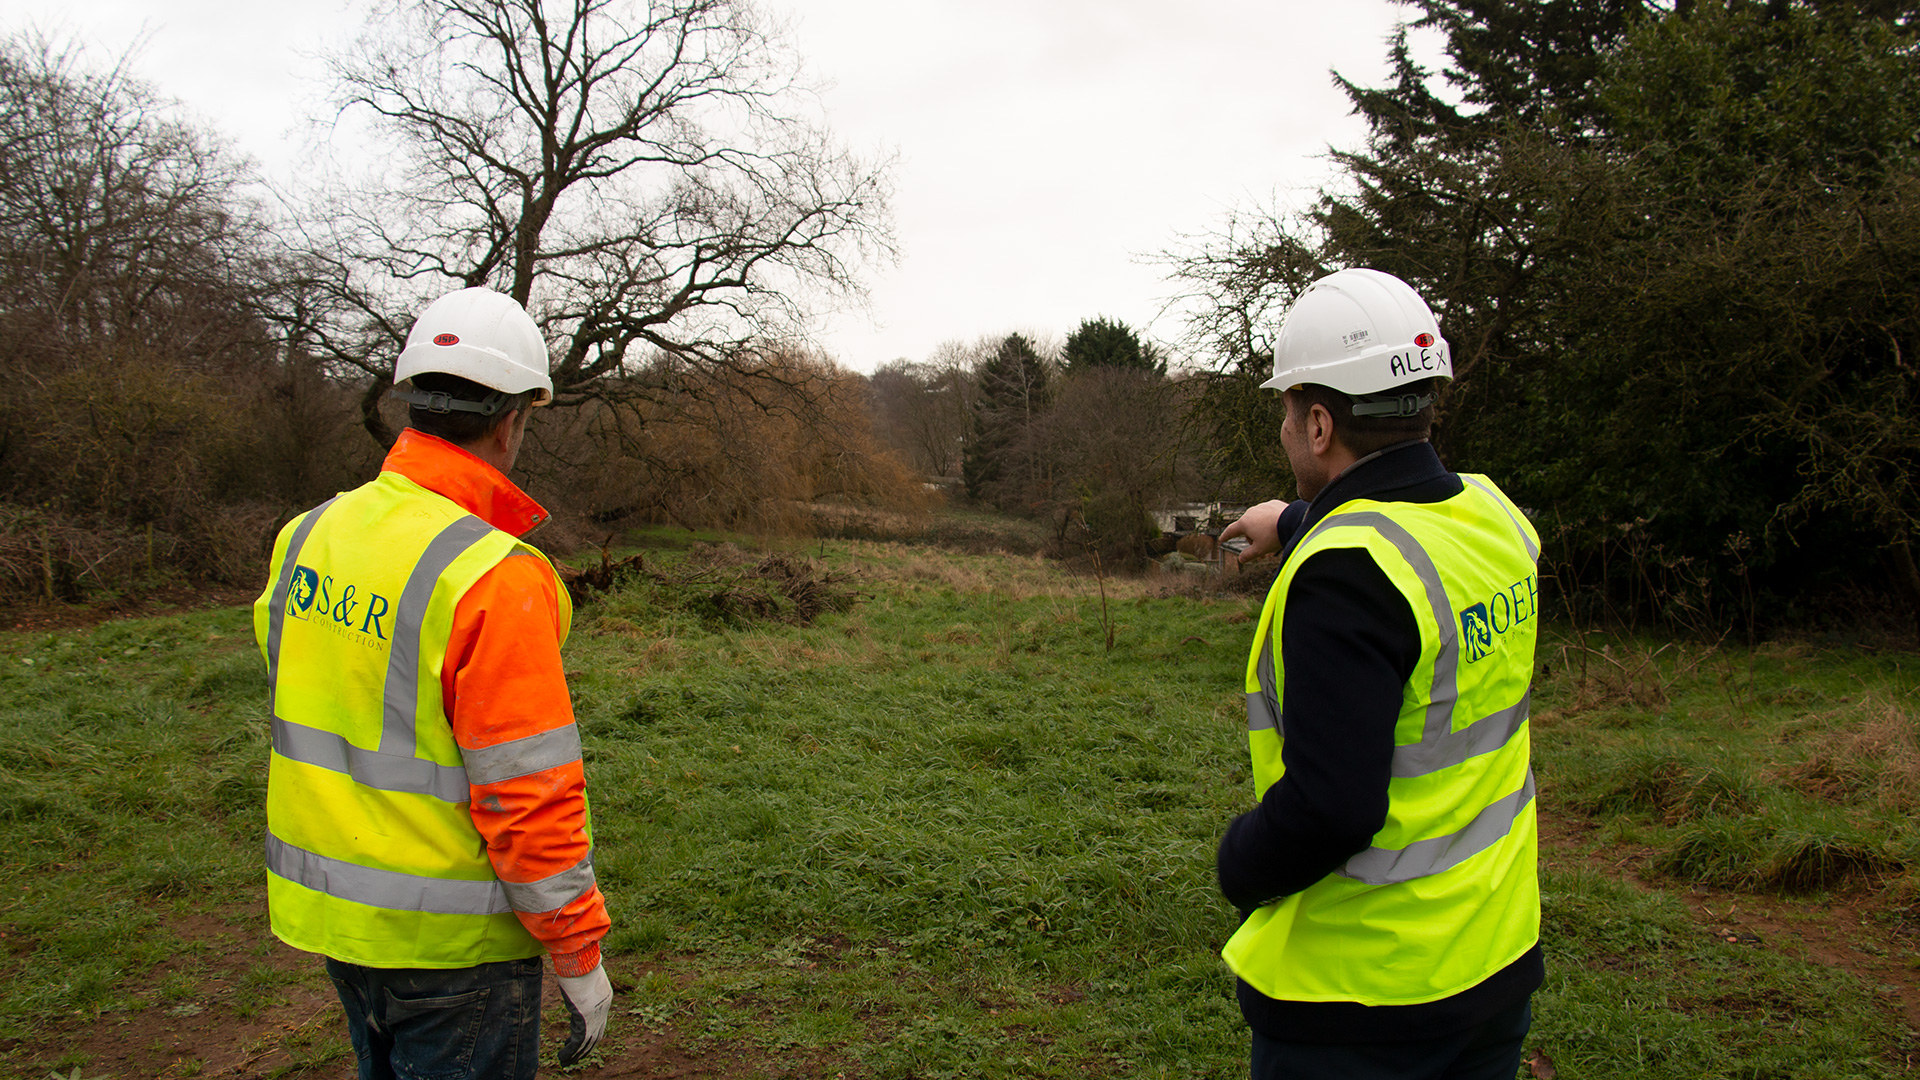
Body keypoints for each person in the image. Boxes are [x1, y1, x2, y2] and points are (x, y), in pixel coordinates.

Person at [254, 287, 613, 1079]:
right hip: (457, 949)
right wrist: (577, 952)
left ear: (412, 401)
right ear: (513, 419)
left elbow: (321, 690)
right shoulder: (496, 575)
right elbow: (528, 790)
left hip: (339, 926)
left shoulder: (306, 534)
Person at [1214, 268, 1543, 1080]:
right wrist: (1290, 518)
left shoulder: (1344, 576)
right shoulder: (1495, 516)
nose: (1287, 429)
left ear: (1319, 423)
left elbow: (1331, 809)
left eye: (1290, 410)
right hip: (1491, 958)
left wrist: (1238, 863)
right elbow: (1405, 515)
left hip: (1365, 1002)